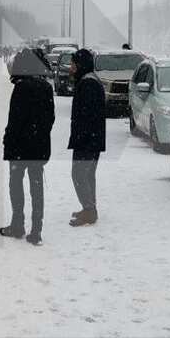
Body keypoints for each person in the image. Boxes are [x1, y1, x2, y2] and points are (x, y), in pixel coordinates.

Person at [0, 49, 55, 245]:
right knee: (37, 187)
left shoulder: (22, 88)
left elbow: (15, 120)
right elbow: (50, 119)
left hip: (20, 148)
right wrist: (39, 135)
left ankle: (17, 225)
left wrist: (9, 140)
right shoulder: (46, 87)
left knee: (16, 185)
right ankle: (36, 230)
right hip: (38, 147)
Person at [68, 49, 105, 226]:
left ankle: (89, 210)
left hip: (87, 140)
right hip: (92, 139)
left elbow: (88, 116)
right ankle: (90, 208)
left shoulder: (87, 83)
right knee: (88, 175)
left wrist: (82, 140)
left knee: (79, 174)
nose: (71, 68)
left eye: (73, 64)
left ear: (80, 65)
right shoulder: (89, 80)